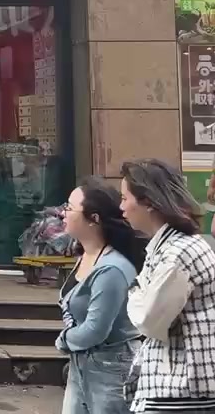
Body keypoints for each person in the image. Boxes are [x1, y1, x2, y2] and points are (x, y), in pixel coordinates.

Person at [119, 159, 215, 413]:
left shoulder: (178, 252)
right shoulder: (167, 247)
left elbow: (148, 319)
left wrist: (135, 291)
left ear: (149, 202)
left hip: (182, 393)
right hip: (176, 388)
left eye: (125, 198)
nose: (121, 207)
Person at [58, 180, 145, 414]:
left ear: (93, 219)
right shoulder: (86, 256)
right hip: (81, 362)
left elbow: (96, 329)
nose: (62, 213)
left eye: (69, 208)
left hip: (111, 367)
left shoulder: (111, 269)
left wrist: (63, 340)